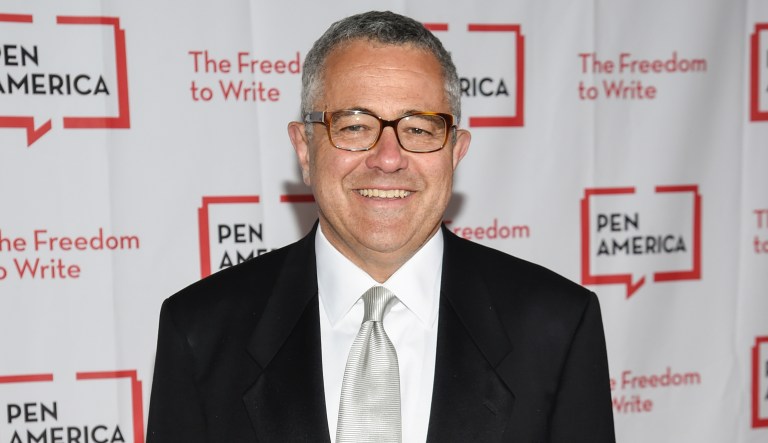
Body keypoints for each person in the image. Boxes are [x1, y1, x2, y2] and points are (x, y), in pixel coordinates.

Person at [146, 10, 615, 443]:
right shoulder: (199, 332)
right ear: (305, 150)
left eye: (419, 128)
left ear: (456, 151)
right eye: (353, 126)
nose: (388, 159)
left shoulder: (557, 327)